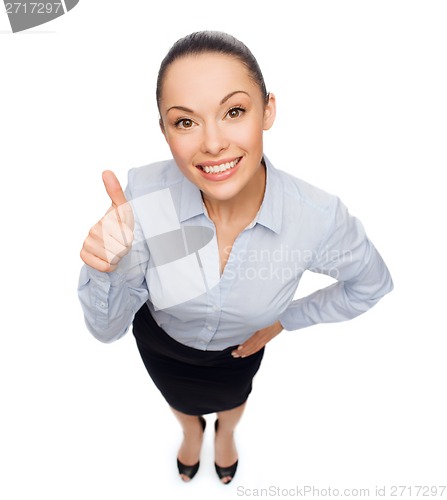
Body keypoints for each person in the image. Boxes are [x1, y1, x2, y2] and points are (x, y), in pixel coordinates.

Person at [78, 31, 393, 484]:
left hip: (239, 351)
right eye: (185, 122)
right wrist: (105, 268)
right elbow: (106, 330)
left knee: (234, 399)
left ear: (267, 111)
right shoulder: (147, 199)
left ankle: (225, 434)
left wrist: (286, 320)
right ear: (166, 131)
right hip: (162, 345)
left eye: (234, 111)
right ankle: (190, 433)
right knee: (181, 403)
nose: (212, 143)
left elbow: (371, 284)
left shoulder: (317, 219)